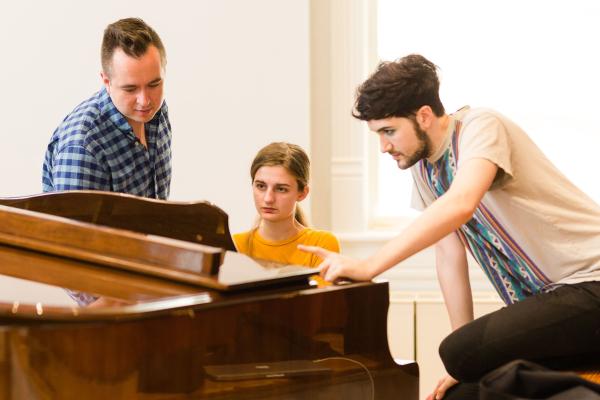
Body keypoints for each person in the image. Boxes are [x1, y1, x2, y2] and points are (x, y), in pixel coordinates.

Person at [299, 54, 600, 399]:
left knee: (455, 353)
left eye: (389, 131)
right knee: (460, 392)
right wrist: (467, 363)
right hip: (559, 304)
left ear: (424, 116)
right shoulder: (423, 169)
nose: (384, 146)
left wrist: (369, 265)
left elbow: (461, 202)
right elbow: (449, 254)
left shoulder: (481, 126)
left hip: (591, 283)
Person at [42, 17, 171, 199]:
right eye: (130, 88)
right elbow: (74, 229)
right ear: (106, 82)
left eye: (154, 84)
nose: (145, 100)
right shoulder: (83, 147)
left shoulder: (156, 112)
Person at [234, 142, 340, 267]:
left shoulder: (321, 245)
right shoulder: (236, 245)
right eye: (261, 186)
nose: (268, 199)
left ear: (302, 193)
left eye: (281, 189)